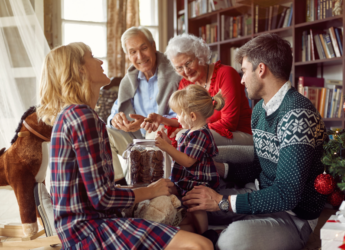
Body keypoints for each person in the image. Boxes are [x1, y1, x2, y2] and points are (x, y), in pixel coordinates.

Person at [36, 42, 212, 250]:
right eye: (92, 56)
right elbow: (102, 198)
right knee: (201, 245)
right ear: (80, 69)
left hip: (83, 226)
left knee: (188, 227)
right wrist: (150, 190)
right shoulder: (82, 117)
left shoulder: (73, 114)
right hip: (88, 231)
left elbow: (97, 192)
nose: (100, 61)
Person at [182, 33, 328, 250]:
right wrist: (219, 168)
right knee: (192, 207)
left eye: (243, 71)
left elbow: (287, 195)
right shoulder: (259, 110)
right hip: (258, 193)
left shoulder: (297, 114)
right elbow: (261, 167)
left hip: (294, 216)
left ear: (261, 70)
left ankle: (236, 228)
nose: (241, 80)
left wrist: (222, 201)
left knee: (230, 241)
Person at [141, 34, 252, 146]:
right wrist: (161, 119)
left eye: (188, 63)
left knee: (186, 137)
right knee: (156, 134)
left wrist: (190, 131)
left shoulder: (226, 74)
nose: (186, 70)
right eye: (179, 68)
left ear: (200, 56)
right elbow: (185, 119)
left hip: (238, 133)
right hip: (206, 131)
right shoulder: (185, 83)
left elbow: (229, 123)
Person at [106, 27, 182, 183]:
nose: (139, 56)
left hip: (163, 135)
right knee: (104, 133)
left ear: (153, 46)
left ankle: (154, 188)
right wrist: (117, 121)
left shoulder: (176, 73)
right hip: (136, 141)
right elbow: (114, 115)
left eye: (144, 48)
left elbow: (186, 114)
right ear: (128, 55)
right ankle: (121, 186)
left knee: (155, 133)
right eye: (133, 52)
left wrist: (158, 120)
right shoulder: (128, 81)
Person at [155, 84, 224, 235]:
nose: (177, 118)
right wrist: (167, 143)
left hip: (198, 181)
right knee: (173, 193)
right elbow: (181, 153)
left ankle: (205, 234)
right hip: (187, 178)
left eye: (178, 114)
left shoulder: (200, 134)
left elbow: (188, 161)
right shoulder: (190, 132)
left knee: (196, 206)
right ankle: (187, 224)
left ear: (192, 116)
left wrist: (168, 148)